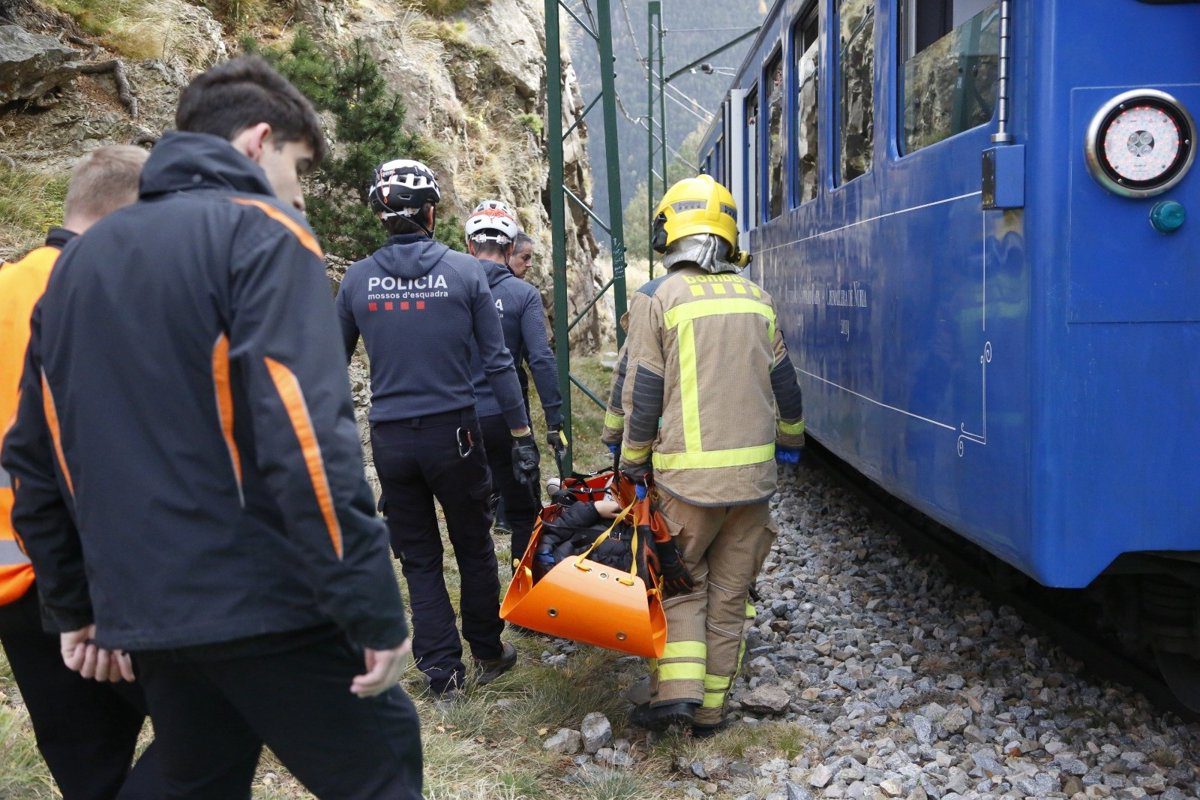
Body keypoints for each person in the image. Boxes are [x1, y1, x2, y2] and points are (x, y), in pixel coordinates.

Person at [2, 56, 423, 799]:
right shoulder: (262, 232)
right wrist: (371, 605)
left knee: (196, 774)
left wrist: (75, 606)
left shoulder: (76, 264)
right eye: (298, 167)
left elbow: (36, 454)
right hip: (267, 599)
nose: (299, 191)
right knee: (381, 770)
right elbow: (306, 439)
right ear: (259, 141)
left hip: (147, 611)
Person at [335, 161, 534, 703]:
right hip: (456, 435)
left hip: (391, 440)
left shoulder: (357, 280)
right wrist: (521, 434)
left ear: (379, 214)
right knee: (472, 543)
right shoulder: (465, 273)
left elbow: (328, 368)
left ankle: (442, 673)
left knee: (419, 556)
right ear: (430, 213)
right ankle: (487, 650)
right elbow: (498, 362)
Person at [0, 145, 163, 800]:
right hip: (95, 575)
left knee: (89, 774)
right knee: (212, 728)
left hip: (12, 581)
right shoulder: (107, 294)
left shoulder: (7, 287)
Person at [616, 174, 805, 736]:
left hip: (687, 486)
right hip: (753, 486)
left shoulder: (661, 298)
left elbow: (644, 391)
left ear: (671, 232)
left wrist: (632, 461)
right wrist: (791, 442)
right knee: (729, 595)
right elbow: (786, 383)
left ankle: (675, 697)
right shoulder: (757, 298)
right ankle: (712, 710)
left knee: (681, 586)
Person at [463, 200, 564, 570]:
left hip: (457, 418)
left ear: (469, 247)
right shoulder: (523, 295)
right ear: (509, 250)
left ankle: (478, 590)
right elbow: (540, 359)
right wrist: (554, 418)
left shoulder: (449, 288)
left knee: (468, 513)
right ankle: (524, 589)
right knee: (523, 511)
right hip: (507, 419)